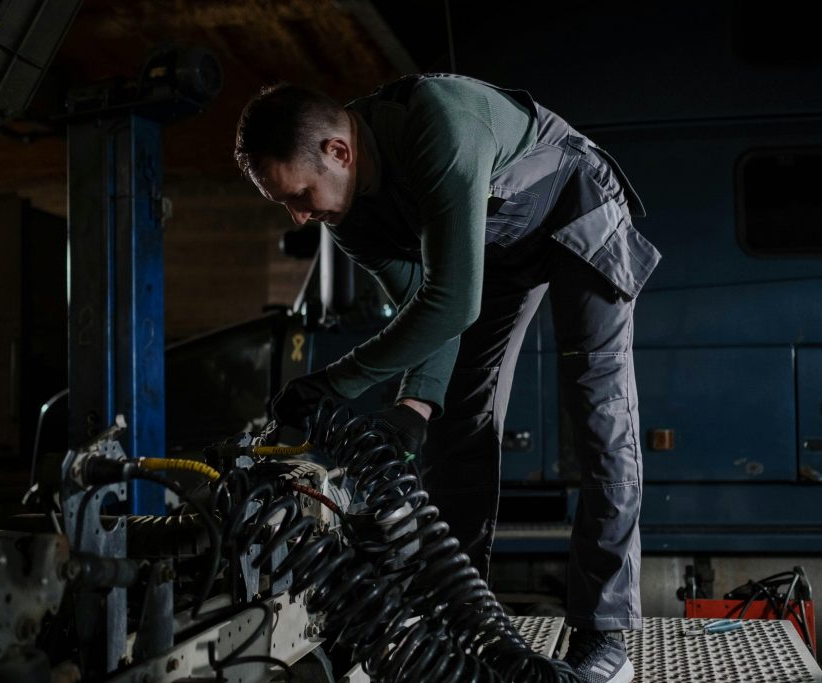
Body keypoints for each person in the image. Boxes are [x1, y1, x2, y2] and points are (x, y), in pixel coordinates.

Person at [234, 73, 659, 683]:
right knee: (460, 421)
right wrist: (416, 404)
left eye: (299, 195)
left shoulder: (437, 126)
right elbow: (425, 307)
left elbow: (453, 302)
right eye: (287, 205)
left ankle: (605, 636)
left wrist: (333, 384)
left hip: (574, 204)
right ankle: (462, 618)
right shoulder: (350, 215)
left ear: (338, 152)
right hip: (497, 248)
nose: (300, 217)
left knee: (598, 418)